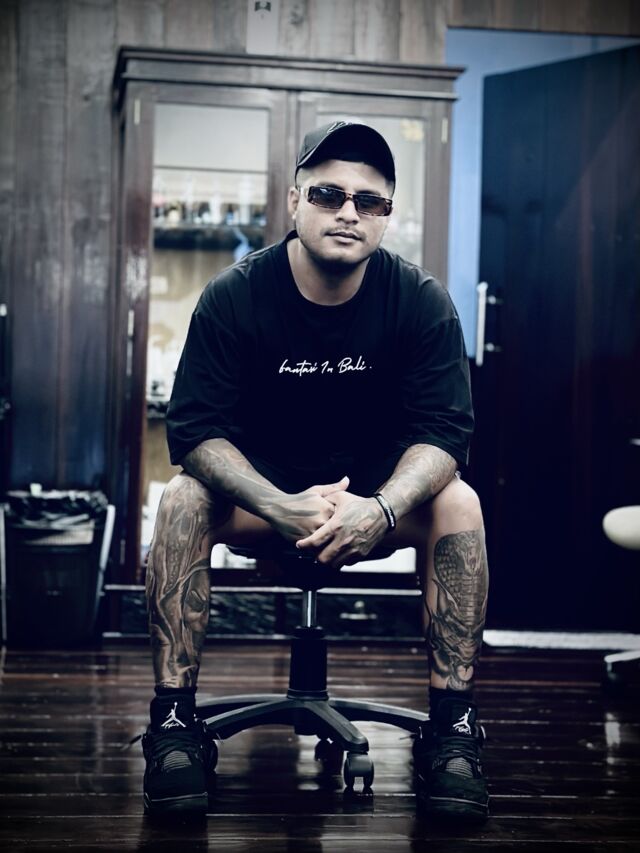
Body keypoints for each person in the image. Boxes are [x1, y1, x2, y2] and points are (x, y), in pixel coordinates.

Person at [142, 121, 490, 821]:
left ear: (386, 215)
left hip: (378, 505)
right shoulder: (235, 295)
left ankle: (452, 731)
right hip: (261, 501)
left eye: (369, 200)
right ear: (295, 201)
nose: (348, 212)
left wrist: (381, 509)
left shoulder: (420, 301)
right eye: (329, 194)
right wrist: (279, 503)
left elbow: (446, 433)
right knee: (181, 498)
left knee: (461, 502)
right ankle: (175, 723)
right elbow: (196, 431)